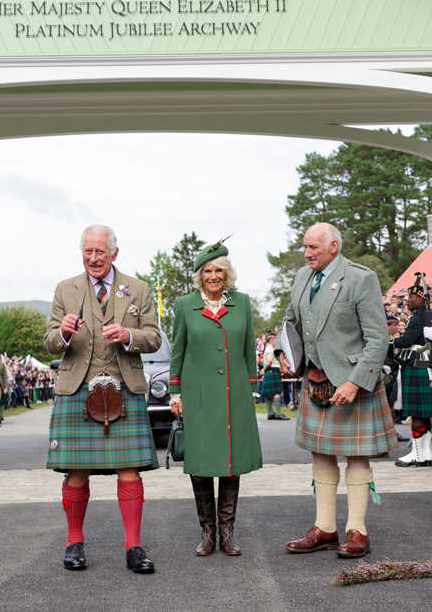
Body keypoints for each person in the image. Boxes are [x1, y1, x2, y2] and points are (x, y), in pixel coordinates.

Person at [45, 224, 161, 575]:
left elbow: (154, 337)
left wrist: (129, 335)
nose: (93, 258)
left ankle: (134, 547)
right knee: (76, 471)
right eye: (88, 251)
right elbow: (49, 341)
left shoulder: (138, 289)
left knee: (129, 470)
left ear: (114, 253)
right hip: (77, 387)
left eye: (100, 252)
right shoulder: (66, 289)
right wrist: (62, 333)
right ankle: (74, 543)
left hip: (124, 386)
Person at [281, 223, 395, 560]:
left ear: (333, 246)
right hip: (314, 378)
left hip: (351, 382)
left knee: (357, 456)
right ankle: (325, 527)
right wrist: (281, 353)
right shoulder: (302, 276)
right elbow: (290, 322)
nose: (307, 253)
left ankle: (357, 529)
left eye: (313, 247)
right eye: (305, 247)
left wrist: (356, 381)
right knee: (321, 453)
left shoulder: (360, 278)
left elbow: (378, 338)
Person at [168, 242, 263, 557]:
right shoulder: (184, 305)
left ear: (227, 274)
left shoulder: (243, 303)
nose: (213, 276)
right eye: (207, 271)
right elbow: (178, 350)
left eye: (218, 271)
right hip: (198, 397)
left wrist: (250, 387)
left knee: (231, 464)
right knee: (202, 463)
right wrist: (175, 391)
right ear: (199, 275)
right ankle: (207, 532)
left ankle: (227, 533)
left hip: (233, 394)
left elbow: (249, 348)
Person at [393, 278, 432, 468]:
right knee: (421, 415)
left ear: (421, 298)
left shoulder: (421, 315)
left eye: (412, 296)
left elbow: (407, 340)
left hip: (416, 365)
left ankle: (418, 454)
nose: (408, 299)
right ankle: (424, 454)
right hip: (421, 366)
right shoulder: (422, 314)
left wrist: (390, 342)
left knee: (416, 414)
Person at [259, 334, 287, 420]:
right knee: (276, 393)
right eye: (275, 339)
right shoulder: (271, 349)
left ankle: (270, 413)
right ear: (271, 340)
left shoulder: (267, 349)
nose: (276, 341)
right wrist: (264, 369)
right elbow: (269, 362)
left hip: (269, 372)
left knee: (268, 394)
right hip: (272, 370)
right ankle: (278, 413)